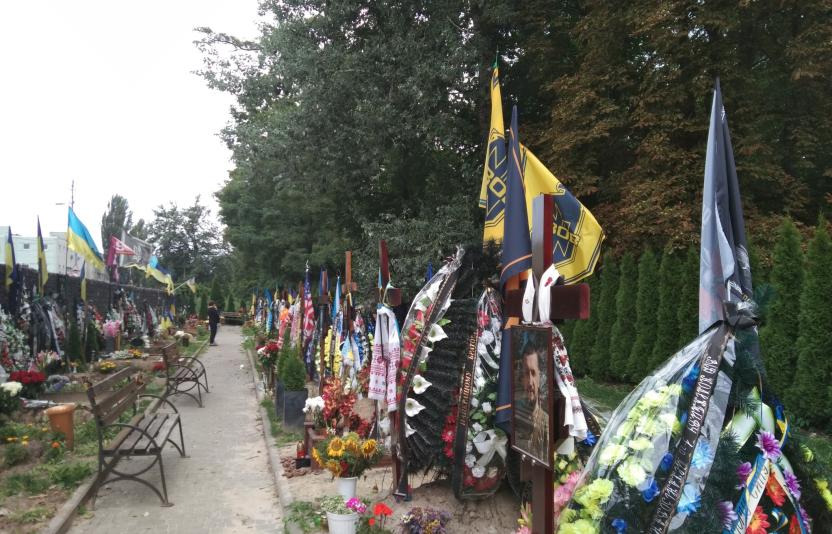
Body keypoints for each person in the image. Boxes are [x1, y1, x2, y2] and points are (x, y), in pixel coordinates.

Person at [514, 340, 549, 462]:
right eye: (525, 374)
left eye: (533, 373)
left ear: (541, 376)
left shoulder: (546, 423)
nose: (530, 382)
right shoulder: (517, 416)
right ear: (521, 378)